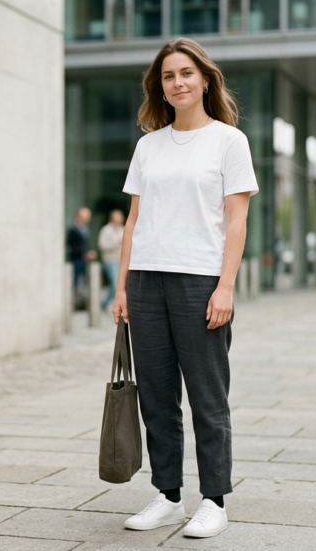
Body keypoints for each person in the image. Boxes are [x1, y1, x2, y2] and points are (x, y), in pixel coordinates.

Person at [111, 37, 257, 540]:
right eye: (169, 76)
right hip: (147, 282)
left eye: (187, 73)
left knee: (207, 396)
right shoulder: (147, 145)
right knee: (156, 396)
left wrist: (226, 287)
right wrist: (123, 286)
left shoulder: (228, 141)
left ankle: (214, 499)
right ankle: (169, 495)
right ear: (161, 86)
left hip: (200, 281)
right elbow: (133, 222)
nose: (178, 82)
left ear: (205, 79)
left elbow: (236, 222)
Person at [66, 207, 97, 300]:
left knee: (83, 282)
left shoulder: (85, 229)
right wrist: (84, 254)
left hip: (84, 261)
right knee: (75, 281)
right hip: (76, 260)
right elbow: (70, 246)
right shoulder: (73, 229)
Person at [98, 209, 125, 310]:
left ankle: (106, 303)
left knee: (120, 285)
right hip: (110, 261)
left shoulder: (123, 229)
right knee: (115, 284)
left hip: (121, 262)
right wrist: (116, 243)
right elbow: (102, 245)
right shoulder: (106, 230)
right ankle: (105, 303)